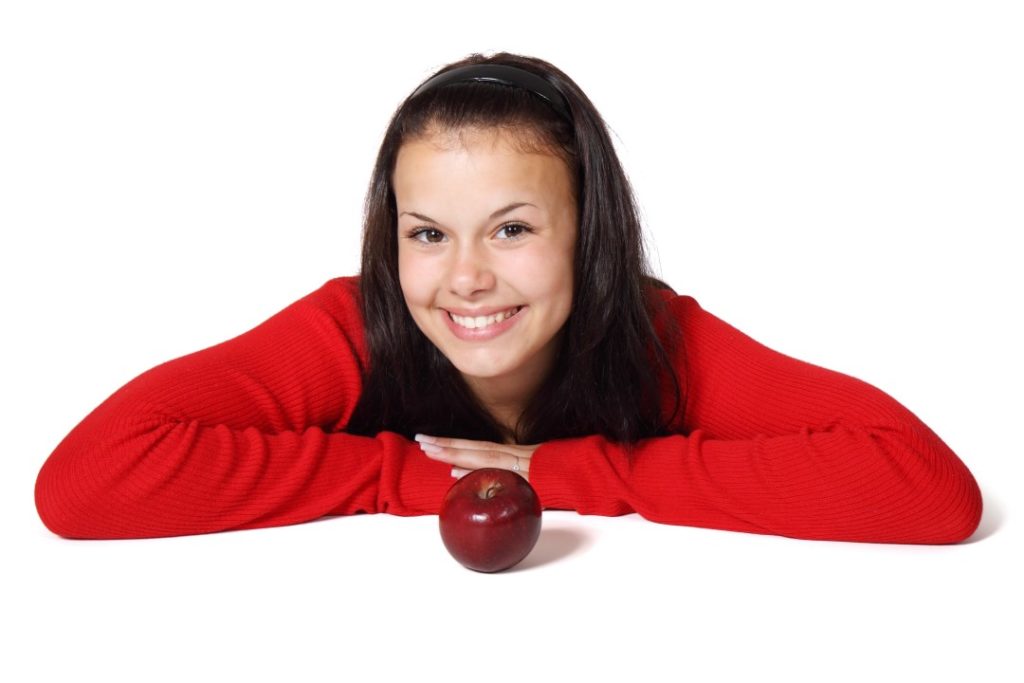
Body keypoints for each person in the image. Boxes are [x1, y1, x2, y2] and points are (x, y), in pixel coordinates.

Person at [34, 52, 983, 544]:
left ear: (589, 233)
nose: (465, 277)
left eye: (513, 229)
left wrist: (577, 474)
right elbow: (85, 481)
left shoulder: (655, 337)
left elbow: (925, 486)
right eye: (428, 234)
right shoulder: (355, 325)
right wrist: (400, 479)